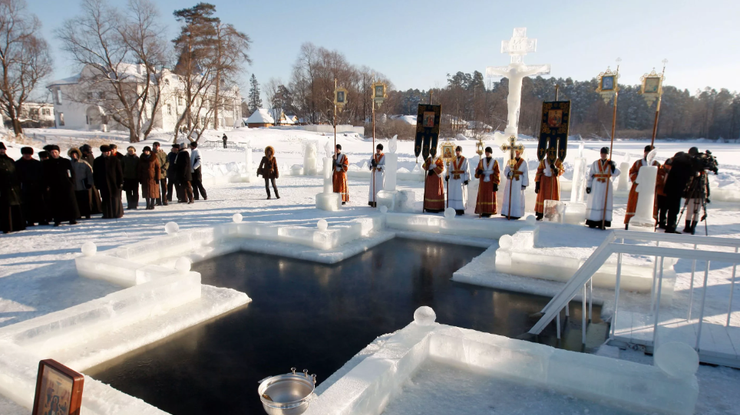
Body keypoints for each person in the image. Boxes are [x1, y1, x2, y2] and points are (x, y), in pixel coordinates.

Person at [624, 145, 661, 229]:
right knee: (635, 204)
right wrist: (639, 178)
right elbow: (632, 173)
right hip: (638, 188)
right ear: (644, 153)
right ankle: (630, 221)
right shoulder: (638, 163)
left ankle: (648, 223)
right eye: (647, 153)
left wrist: (653, 180)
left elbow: (660, 176)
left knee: (649, 205)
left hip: (650, 190)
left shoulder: (656, 164)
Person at [42, 145, 79, 226]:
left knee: (69, 202)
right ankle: (57, 219)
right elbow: (45, 175)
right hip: (54, 186)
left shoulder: (65, 161)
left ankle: (72, 218)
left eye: (56, 152)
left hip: (66, 185)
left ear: (59, 152)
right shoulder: (47, 163)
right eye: (52, 152)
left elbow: (71, 173)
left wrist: (71, 182)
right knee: (56, 203)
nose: (54, 154)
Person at [585, 147, 620, 229]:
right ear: (600, 154)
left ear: (607, 154)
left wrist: (613, 166)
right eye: (602, 153)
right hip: (596, 184)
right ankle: (592, 220)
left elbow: (617, 173)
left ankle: (603, 221)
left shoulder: (610, 163)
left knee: (605, 201)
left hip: (606, 184)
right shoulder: (595, 163)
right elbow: (590, 175)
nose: (603, 155)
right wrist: (588, 185)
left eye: (605, 154)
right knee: (595, 201)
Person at [662, 150, 694, 233]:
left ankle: (670, 226)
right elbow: (691, 173)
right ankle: (670, 228)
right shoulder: (684, 166)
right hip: (676, 190)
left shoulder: (676, 164)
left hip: (671, 190)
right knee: (674, 209)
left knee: (670, 209)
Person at [15, 147, 47, 226]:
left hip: (37, 186)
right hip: (25, 187)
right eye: (25, 154)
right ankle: (29, 220)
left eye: (29, 154)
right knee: (27, 205)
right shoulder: (18, 164)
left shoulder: (37, 163)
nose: (27, 155)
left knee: (39, 203)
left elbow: (42, 175)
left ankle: (41, 219)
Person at [0, 142, 25, 233]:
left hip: (14, 187)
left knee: (16, 206)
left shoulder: (10, 160)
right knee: (5, 208)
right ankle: (6, 227)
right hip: (3, 188)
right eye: (0, 149)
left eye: (3, 149)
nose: (2, 151)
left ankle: (18, 225)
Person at [683, 147, 709, 235]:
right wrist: (707, 195)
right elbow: (706, 184)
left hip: (693, 192)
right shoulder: (703, 172)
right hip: (701, 192)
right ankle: (692, 227)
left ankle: (688, 227)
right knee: (696, 212)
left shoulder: (693, 168)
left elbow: (689, 180)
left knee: (690, 210)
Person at [93, 145, 124, 219]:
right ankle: (107, 214)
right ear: (103, 152)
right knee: (105, 198)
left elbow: (119, 172)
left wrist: (120, 182)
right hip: (103, 183)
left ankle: (117, 213)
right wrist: (97, 183)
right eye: (106, 152)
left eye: (109, 151)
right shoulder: (97, 161)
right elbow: (95, 174)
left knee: (115, 198)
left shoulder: (115, 160)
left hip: (114, 182)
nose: (108, 153)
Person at [534, 148, 564, 221]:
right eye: (549, 153)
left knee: (553, 196)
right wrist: (537, 183)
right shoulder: (543, 162)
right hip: (544, 181)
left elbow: (562, 170)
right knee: (542, 196)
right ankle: (540, 213)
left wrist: (556, 170)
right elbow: (539, 171)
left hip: (553, 181)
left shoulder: (558, 161)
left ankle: (553, 212)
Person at [501, 148, 529, 220]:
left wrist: (524, 184)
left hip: (518, 181)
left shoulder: (523, 162)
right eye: (516, 152)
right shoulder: (510, 161)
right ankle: (508, 212)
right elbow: (506, 169)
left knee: (517, 197)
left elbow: (525, 173)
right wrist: (508, 173)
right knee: (509, 196)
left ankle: (517, 213)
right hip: (511, 180)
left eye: (519, 152)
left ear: (521, 153)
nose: (517, 153)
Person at [68, 148, 94, 220]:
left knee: (85, 200)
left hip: (83, 185)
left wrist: (89, 183)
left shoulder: (84, 163)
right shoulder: (69, 164)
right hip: (73, 186)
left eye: (75, 154)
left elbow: (90, 173)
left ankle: (87, 214)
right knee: (76, 201)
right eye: (72, 154)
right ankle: (78, 214)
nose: (74, 156)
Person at [474, 146, 500, 217]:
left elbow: (497, 172)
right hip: (483, 180)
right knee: (482, 195)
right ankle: (482, 210)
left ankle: (489, 211)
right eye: (486, 152)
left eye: (489, 152)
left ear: (491, 153)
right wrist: (478, 172)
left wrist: (496, 183)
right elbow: (477, 170)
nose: (487, 153)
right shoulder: (481, 161)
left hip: (491, 181)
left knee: (490, 195)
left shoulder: (495, 162)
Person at [445, 146, 470, 215]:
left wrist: (466, 179)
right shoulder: (452, 160)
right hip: (453, 179)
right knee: (453, 192)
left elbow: (466, 170)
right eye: (456, 151)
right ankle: (452, 207)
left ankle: (460, 208)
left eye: (459, 151)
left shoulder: (464, 159)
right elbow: (449, 169)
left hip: (461, 178)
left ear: (461, 152)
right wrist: (447, 176)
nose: (457, 152)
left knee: (460, 193)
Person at [80, 144, 102, 214]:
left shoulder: (90, 156)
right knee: (87, 195)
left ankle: (97, 208)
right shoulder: (80, 157)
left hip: (92, 176)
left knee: (95, 194)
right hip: (84, 178)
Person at [655, 158, 671, 229]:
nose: (668, 167)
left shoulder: (671, 173)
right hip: (659, 193)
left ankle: (662, 222)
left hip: (666, 194)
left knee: (664, 210)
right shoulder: (660, 170)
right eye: (667, 166)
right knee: (656, 209)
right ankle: (655, 221)